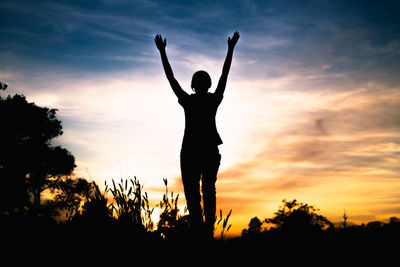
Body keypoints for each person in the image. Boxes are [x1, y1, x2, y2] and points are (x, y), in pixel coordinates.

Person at [155, 31, 240, 239]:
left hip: (192, 151)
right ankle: (207, 232)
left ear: (193, 85)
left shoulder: (189, 100)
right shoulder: (213, 100)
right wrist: (230, 49)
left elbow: (171, 78)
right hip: (208, 149)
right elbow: (224, 75)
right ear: (207, 84)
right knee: (207, 191)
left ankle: (200, 232)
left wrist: (162, 53)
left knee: (194, 194)